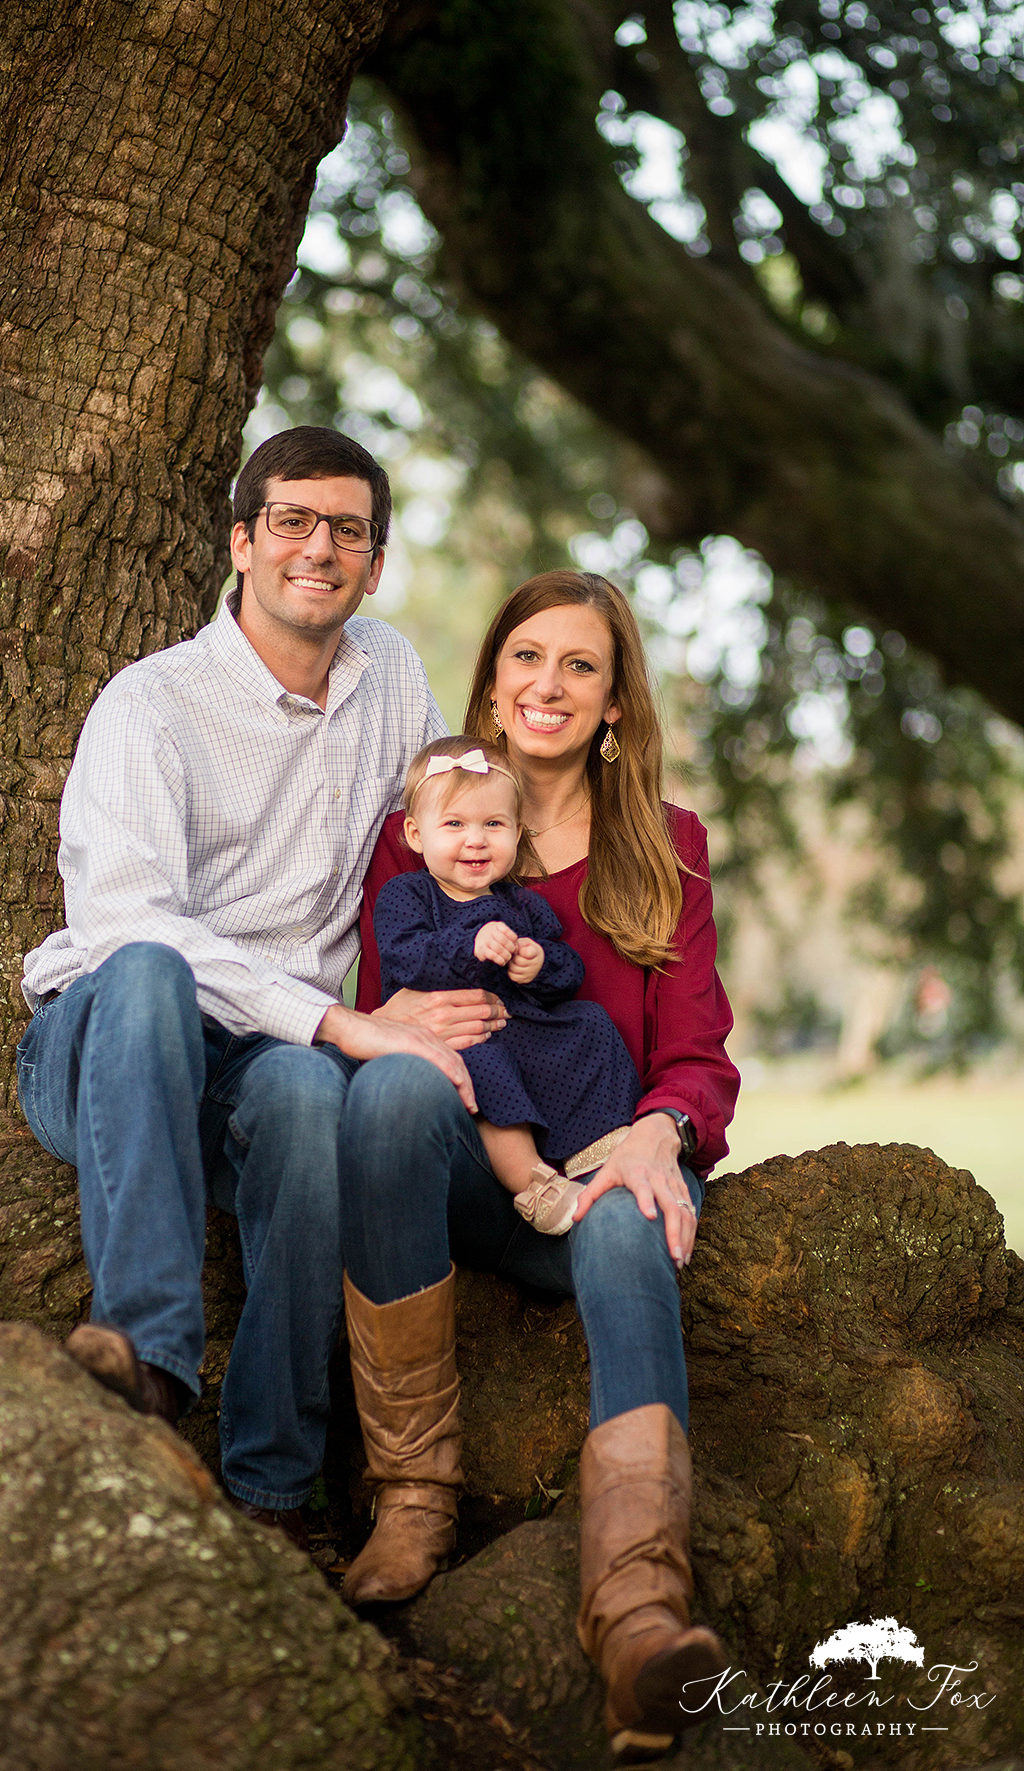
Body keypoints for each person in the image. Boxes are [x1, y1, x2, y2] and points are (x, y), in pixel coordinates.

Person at [15, 426, 492, 1547]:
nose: (317, 548)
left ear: (374, 563)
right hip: (108, 1047)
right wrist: (341, 1020)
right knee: (144, 972)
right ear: (242, 541)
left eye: (348, 530)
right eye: (291, 521)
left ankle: (273, 1490)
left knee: (307, 1099)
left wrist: (431, 987)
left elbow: (442, 847)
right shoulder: (153, 703)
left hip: (267, 1060)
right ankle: (146, 1362)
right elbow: (127, 920)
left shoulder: (394, 680)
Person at [342, 570, 740, 1765]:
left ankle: (637, 1613)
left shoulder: (664, 846)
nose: (548, 685)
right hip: (464, 1169)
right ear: (493, 680)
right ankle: (412, 1499)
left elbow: (700, 1056)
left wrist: (663, 1131)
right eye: (527, 658)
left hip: (606, 1162)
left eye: (580, 665)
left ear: (616, 704)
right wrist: (412, 1018)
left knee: (623, 1218)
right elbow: (383, 1010)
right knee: (395, 1087)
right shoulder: (413, 836)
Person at [373, 735, 642, 1235]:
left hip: (521, 1026)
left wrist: (537, 964)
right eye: (454, 824)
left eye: (493, 824)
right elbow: (406, 959)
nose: (475, 840)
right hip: (454, 1036)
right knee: (482, 1061)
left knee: (589, 1022)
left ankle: (601, 1145)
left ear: (517, 833)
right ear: (415, 833)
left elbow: (568, 973)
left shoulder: (520, 904)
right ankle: (533, 1185)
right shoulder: (408, 895)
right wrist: (469, 946)